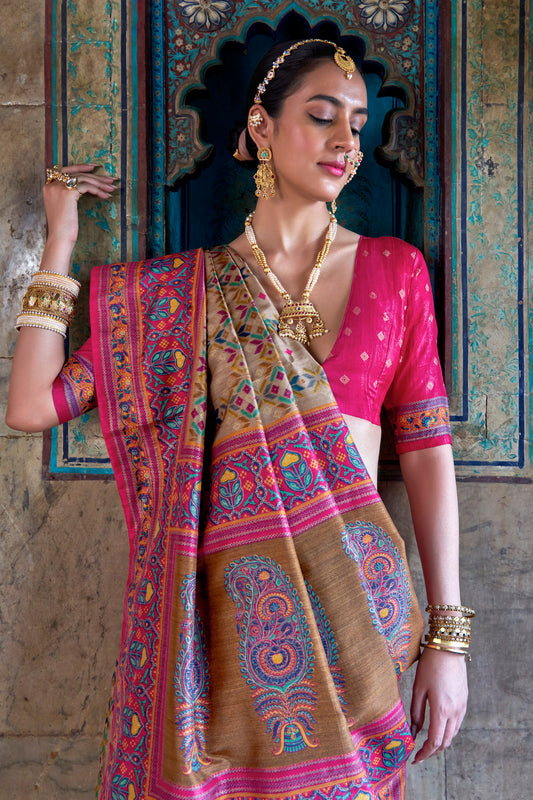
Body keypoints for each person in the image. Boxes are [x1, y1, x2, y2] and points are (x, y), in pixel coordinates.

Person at [7, 38, 473, 800]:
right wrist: (60, 239)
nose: (346, 143)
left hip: (359, 633)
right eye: (321, 116)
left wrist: (446, 639)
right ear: (260, 125)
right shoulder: (174, 299)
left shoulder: (395, 271)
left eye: (357, 124)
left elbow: (425, 453)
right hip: (222, 647)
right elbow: (31, 405)